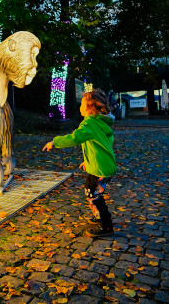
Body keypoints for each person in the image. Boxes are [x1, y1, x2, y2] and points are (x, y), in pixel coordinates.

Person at [43, 89, 117, 238]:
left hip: (100, 169)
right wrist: (89, 159)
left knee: (94, 194)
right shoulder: (99, 122)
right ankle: (99, 217)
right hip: (101, 165)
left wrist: (55, 142)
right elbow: (102, 143)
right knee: (91, 191)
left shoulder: (89, 124)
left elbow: (74, 138)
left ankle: (107, 226)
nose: (80, 107)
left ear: (90, 108)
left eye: (82, 104)